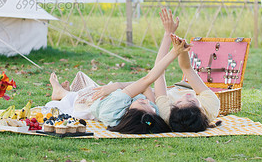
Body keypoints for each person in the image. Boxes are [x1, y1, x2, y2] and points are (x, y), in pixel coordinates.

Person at [45, 9, 188, 134]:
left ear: (129, 112)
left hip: (87, 103)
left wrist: (174, 53)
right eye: (150, 106)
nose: (149, 103)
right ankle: (64, 93)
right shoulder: (150, 112)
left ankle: (60, 93)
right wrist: (168, 35)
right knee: (95, 88)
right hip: (111, 94)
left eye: (144, 104)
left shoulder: (114, 110)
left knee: (81, 95)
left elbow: (147, 80)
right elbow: (151, 81)